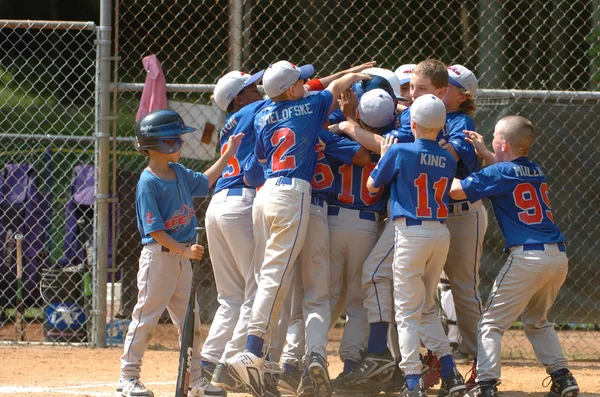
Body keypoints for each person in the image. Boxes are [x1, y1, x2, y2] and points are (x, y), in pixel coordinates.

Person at [225, 60, 368, 397]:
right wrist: (352, 76)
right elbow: (330, 93)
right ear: (291, 88)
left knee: (270, 280)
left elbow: (254, 172)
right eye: (300, 81)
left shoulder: (261, 112)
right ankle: (262, 351)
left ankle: (277, 361)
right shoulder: (312, 112)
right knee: (309, 291)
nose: (306, 83)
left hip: (266, 196)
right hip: (303, 202)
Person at [449, 116, 580, 397]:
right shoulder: (535, 168)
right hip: (557, 258)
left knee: (490, 324)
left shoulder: (499, 173)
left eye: (495, 136)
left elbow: (457, 190)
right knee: (537, 320)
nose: (491, 138)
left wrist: (425, 165)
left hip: (527, 258)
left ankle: (485, 385)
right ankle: (563, 377)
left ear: (504, 144)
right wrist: (486, 153)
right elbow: (507, 170)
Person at [116, 108, 243, 397]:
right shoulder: (149, 182)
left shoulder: (179, 172)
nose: (181, 144)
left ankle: (194, 380)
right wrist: (185, 250)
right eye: (177, 139)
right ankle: (128, 377)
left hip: (183, 260)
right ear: (164, 144)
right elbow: (156, 231)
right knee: (145, 319)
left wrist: (229, 153)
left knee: (190, 323)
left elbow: (206, 181)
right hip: (159, 258)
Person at [367, 95, 466, 397]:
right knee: (426, 308)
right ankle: (450, 373)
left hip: (411, 234)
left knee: (407, 312)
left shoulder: (399, 150)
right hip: (439, 234)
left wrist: (385, 155)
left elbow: (373, 185)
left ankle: (412, 380)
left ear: (412, 124)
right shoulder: (449, 158)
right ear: (441, 126)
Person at [327, 89, 395, 391]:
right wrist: (353, 118)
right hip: (367, 226)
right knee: (357, 303)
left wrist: (347, 116)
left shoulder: (335, 131)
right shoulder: (390, 140)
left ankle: (303, 360)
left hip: (332, 221)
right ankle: (352, 365)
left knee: (323, 298)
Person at [200, 69, 266, 386]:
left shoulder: (232, 121)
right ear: (239, 98)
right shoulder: (251, 109)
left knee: (230, 298)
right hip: (241, 204)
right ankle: (227, 366)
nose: (260, 89)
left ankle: (208, 361)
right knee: (255, 290)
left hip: (218, 204)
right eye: (253, 87)